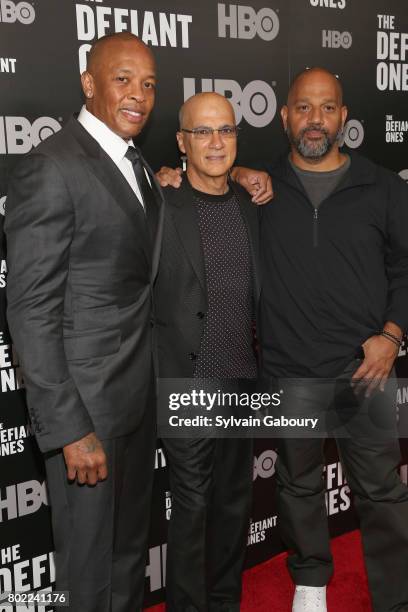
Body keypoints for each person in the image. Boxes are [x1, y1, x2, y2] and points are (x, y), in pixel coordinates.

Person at [5, 32, 163, 612]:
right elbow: (30, 311)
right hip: (87, 417)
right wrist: (71, 429)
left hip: (135, 402)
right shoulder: (50, 167)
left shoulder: (135, 163)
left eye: (148, 84)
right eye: (122, 80)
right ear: (88, 83)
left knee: (126, 560)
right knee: (89, 575)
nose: (138, 95)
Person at [255, 67, 408, 612]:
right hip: (291, 367)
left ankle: (396, 598)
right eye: (303, 108)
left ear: (344, 117)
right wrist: (170, 175)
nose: (314, 120)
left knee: (383, 493)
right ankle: (311, 581)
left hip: (364, 372)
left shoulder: (385, 187)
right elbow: (199, 191)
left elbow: (405, 270)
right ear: (284, 117)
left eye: (326, 108)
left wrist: (391, 336)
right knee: (298, 484)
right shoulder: (260, 189)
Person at [154, 92, 260, 612]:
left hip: (242, 381)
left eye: (226, 130)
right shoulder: (160, 203)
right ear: (182, 142)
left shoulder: (250, 202)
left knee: (232, 507)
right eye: (203, 132)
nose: (216, 142)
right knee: (192, 511)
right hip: (187, 385)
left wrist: (247, 174)